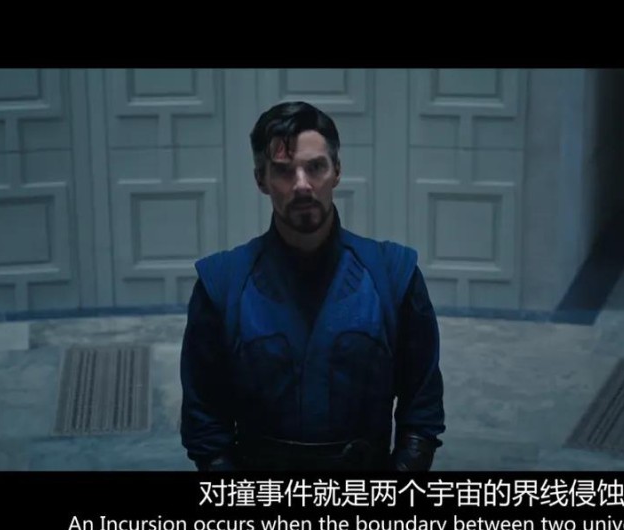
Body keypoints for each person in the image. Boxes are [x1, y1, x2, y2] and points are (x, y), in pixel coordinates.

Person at [179, 101, 445, 471]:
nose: (302, 185)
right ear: (261, 180)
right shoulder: (222, 284)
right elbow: (205, 421)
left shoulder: (393, 275)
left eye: (315, 167)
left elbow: (422, 410)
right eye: (283, 171)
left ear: (336, 171)